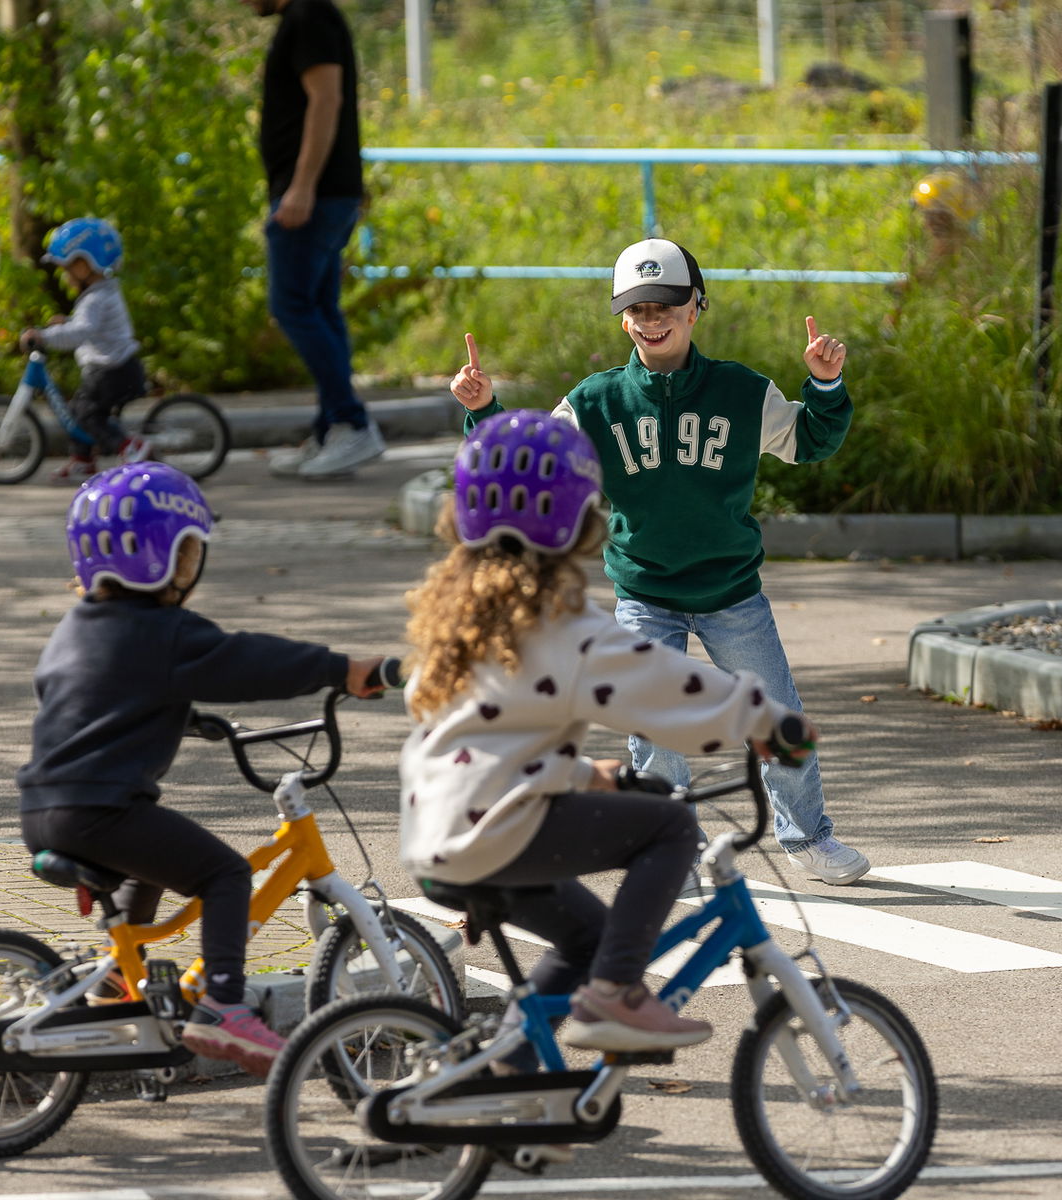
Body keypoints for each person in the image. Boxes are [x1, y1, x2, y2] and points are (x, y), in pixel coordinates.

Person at [447, 237, 871, 886]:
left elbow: (810, 440)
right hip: (645, 595)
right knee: (653, 727)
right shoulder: (595, 401)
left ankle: (809, 839)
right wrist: (483, 412)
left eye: (665, 305)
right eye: (638, 309)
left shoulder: (742, 391)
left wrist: (825, 383)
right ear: (624, 319)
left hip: (733, 593)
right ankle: (671, 847)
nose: (651, 319)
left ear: (696, 306)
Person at [399, 410, 816, 1053]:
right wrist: (763, 717)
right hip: (494, 831)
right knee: (671, 828)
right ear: (580, 521)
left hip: (436, 830)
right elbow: (660, 683)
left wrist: (583, 774)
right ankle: (617, 994)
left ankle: (505, 1069)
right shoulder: (562, 626)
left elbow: (486, 739)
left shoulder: (460, 620)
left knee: (587, 939)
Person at [16, 462, 385, 1074]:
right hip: (100, 810)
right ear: (165, 559)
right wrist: (339, 667)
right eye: (187, 553)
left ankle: (118, 982)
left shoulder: (75, 628)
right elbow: (244, 660)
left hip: (44, 812)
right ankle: (223, 1007)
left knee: (151, 865)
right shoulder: (165, 632)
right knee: (223, 874)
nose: (191, 566)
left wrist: (182, 717)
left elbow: (93, 692)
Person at [244, 0, 385, 480]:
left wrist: (302, 186)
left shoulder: (309, 16)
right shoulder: (308, 16)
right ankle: (332, 430)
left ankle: (351, 422)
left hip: (315, 195)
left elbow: (326, 100)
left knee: (292, 306)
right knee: (320, 308)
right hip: (323, 193)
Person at [20, 217, 148, 484]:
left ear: (84, 264)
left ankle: (129, 446)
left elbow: (80, 333)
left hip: (113, 371)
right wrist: (66, 322)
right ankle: (82, 460)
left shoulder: (95, 299)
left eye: (67, 269)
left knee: (88, 413)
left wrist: (43, 336)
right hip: (116, 367)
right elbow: (88, 327)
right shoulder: (102, 293)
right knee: (78, 409)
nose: (66, 276)